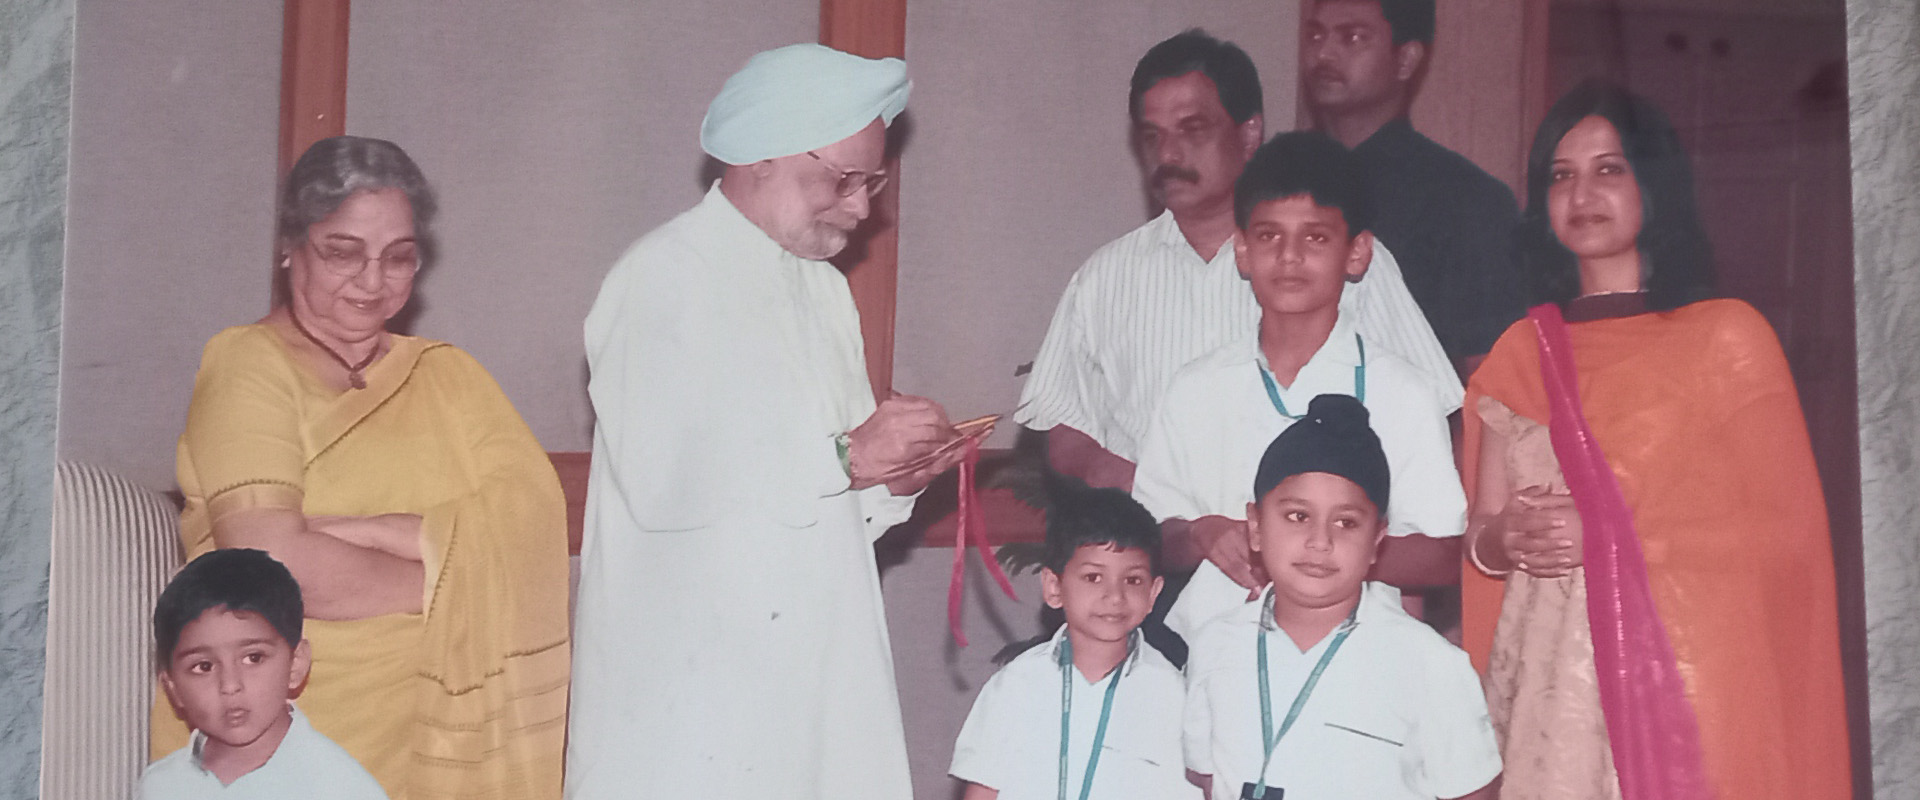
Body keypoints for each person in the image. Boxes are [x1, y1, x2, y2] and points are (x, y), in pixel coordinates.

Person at [568, 44, 967, 800]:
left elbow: (828, 501)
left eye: (871, 181)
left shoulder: (825, 294)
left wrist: (896, 481)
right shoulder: (661, 278)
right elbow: (664, 485)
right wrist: (848, 456)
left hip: (813, 679)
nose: (861, 207)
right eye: (843, 179)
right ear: (761, 156)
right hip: (692, 699)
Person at [1460, 80, 1850, 799]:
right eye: (1561, 175)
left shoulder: (1727, 339)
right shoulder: (1520, 354)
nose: (1582, 194)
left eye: (1609, 169)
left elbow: (1786, 537)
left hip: (1690, 692)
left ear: (1655, 185)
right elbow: (1480, 536)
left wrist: (1612, 536)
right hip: (1549, 708)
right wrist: (1505, 539)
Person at [152, 136, 571, 798]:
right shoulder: (247, 365)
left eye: (398, 257)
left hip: (447, 726)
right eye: (343, 252)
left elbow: (532, 527)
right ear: (289, 245)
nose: (373, 282)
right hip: (288, 734)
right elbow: (272, 568)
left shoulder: (451, 376)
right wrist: (451, 573)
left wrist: (375, 530)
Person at [1016, 28, 1458, 500]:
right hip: (1154, 535)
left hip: (1315, 536)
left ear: (1248, 134)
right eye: (1152, 136)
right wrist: (1134, 483)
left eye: (1192, 130)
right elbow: (1065, 429)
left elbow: (1435, 410)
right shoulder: (1104, 279)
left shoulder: (1338, 262)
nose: (1167, 154)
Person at [1133, 131, 1464, 643]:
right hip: (1215, 653)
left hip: (1359, 654)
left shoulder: (1402, 391)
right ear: (1242, 249)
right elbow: (1152, 534)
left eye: (1315, 238)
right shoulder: (1195, 388)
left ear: (1357, 253)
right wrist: (1201, 534)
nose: (1289, 256)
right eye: (1269, 236)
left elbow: (1442, 554)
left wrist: (1314, 552)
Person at [1183, 394, 1500, 800]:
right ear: (1256, 526)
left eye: (1346, 523)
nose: (1320, 541)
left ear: (1377, 541)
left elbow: (1473, 793)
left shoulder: (1430, 664)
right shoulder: (1214, 644)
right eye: (1298, 516)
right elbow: (1208, 778)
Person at [1301, 0, 1525, 375]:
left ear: (1405, 60)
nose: (1324, 53)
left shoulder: (1468, 200)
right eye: (1315, 36)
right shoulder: (1270, 182)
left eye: (1352, 37)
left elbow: (1492, 378)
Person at [948, 475, 1199, 800]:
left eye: (1133, 580)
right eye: (1093, 577)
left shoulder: (1172, 694)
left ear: (1154, 593)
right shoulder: (1016, 683)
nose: (1115, 596)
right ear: (1054, 587)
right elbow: (983, 789)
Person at [140, 549, 388, 798]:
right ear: (173, 688)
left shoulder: (340, 787)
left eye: (253, 658)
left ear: (295, 664)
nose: (230, 685)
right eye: (204, 667)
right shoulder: (160, 786)